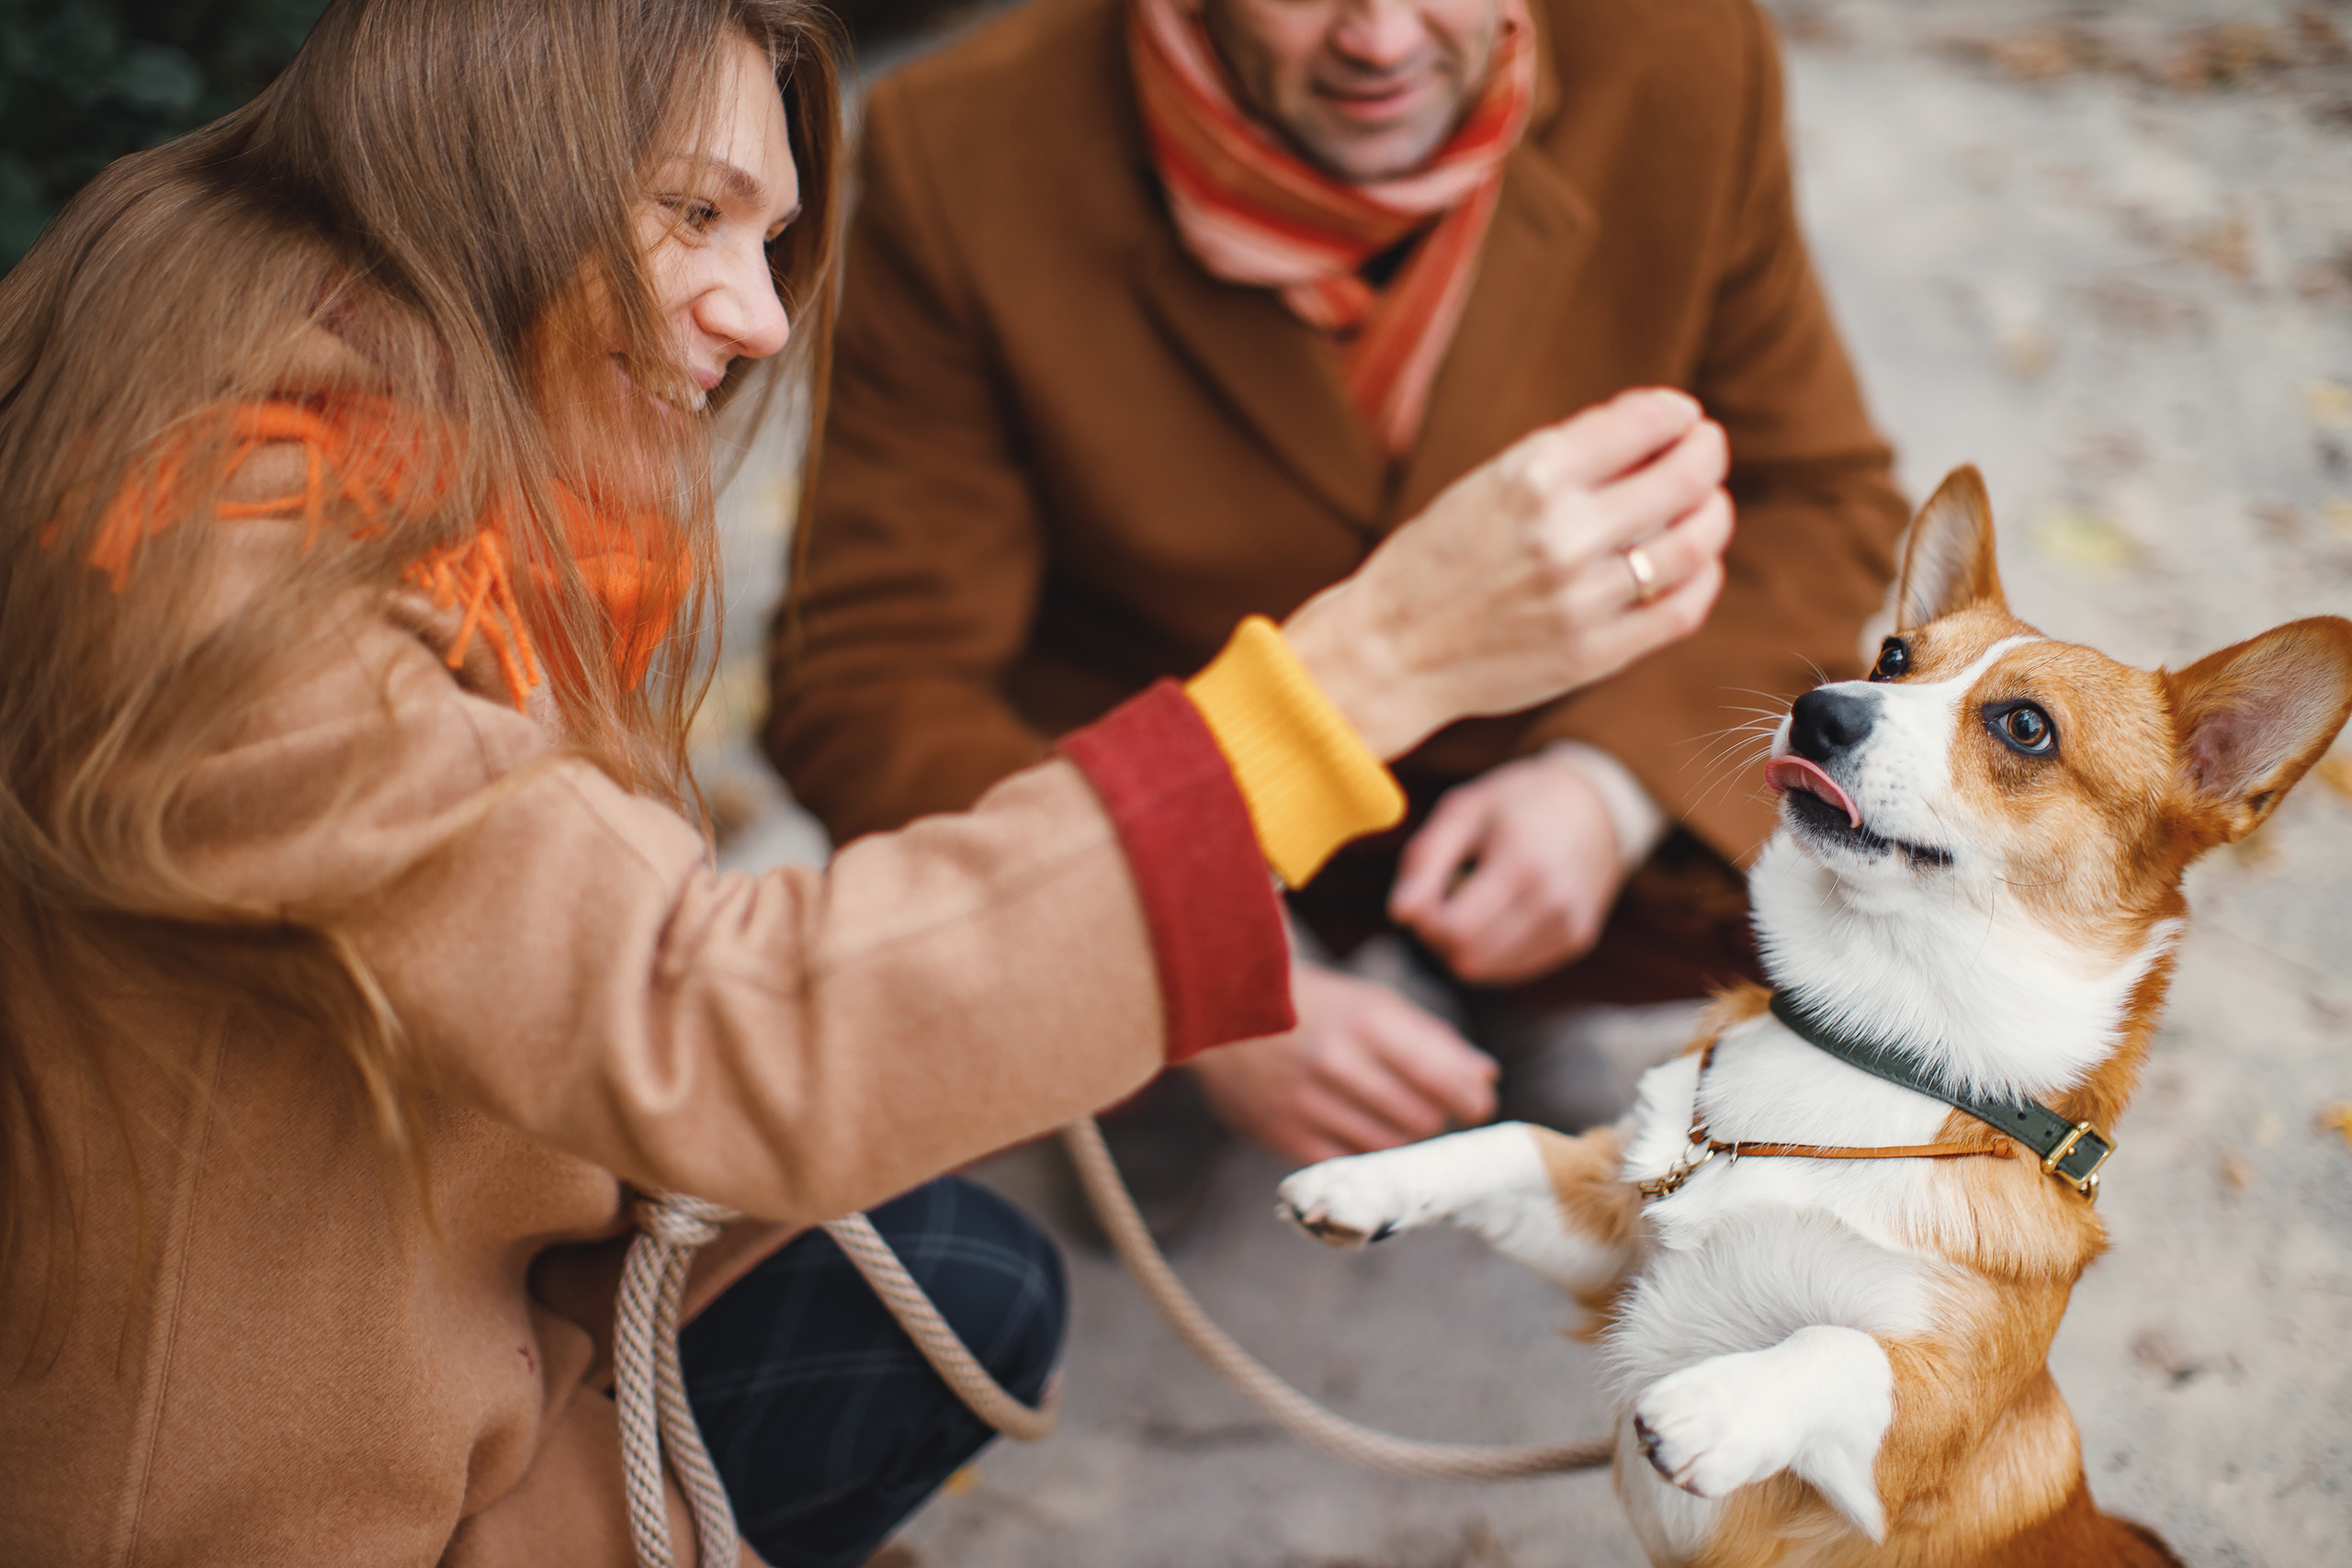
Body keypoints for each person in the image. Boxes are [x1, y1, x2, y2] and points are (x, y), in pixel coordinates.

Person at [0, 1, 1731, 1563]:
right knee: (942, 1277)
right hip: (270, 1487)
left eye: (766, 236)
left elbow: (1824, 480)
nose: (758, 315)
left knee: (964, 1284)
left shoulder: (296, 358)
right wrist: (1371, 670)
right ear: (486, 146)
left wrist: (1599, 778)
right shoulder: (222, 550)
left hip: (442, 1265)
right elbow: (709, 1015)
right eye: (693, 213)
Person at [765, 0, 1911, 1179]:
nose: (1380, 40)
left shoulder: (1682, 48)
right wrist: (1168, 954)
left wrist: (1604, 788)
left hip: (1533, 742)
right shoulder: (965, 143)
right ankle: (1132, 1068)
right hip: (1174, 765)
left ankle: (1508, 973)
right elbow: (861, 676)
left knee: (1911, 835)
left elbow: (1820, 497)